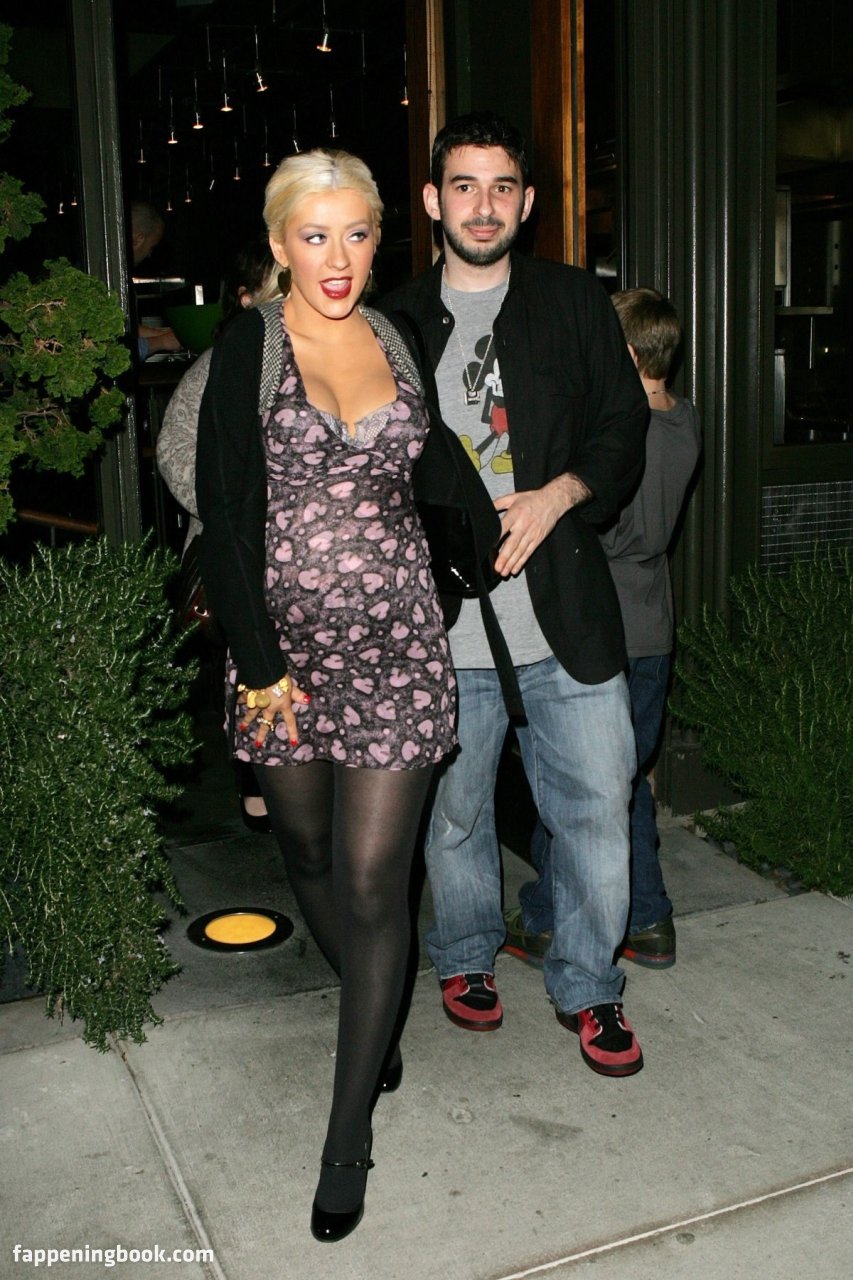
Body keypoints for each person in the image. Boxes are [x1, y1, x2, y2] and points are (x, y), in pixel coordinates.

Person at [195, 149, 457, 1242]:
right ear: (279, 244)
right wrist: (260, 664)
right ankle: (372, 1008)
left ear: (377, 238)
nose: (337, 257)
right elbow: (220, 509)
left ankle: (346, 1135)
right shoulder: (249, 345)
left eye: (356, 233)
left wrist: (479, 547)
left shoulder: (396, 337)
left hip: (398, 647)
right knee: (304, 851)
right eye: (315, 236)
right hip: (282, 661)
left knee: (370, 880)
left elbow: (431, 469)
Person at [380, 111, 649, 1079]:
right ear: (432, 199)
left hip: (563, 617)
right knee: (453, 818)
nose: (482, 205)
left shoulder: (573, 301)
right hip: (444, 632)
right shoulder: (392, 321)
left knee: (596, 812)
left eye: (501, 187)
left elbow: (622, 426)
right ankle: (463, 955)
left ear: (527, 202)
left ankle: (590, 984)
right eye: (464, 185)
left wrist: (561, 491)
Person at [503, 288, 701, 970]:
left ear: (627, 355)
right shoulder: (684, 420)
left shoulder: (624, 434)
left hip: (600, 630)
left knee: (576, 786)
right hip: (653, 626)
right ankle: (647, 918)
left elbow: (604, 524)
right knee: (622, 781)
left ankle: (546, 917)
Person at [156, 236, 282, 833]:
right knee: (248, 671)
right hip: (239, 554)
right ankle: (259, 782)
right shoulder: (223, 360)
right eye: (279, 286)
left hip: (311, 564)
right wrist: (234, 508)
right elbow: (175, 447)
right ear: (248, 298)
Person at [130, 201, 181, 359]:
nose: (149, 254)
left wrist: (161, 334)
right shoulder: (106, 276)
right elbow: (118, 350)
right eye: (152, 246)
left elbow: (123, 327)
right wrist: (163, 341)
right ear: (138, 239)